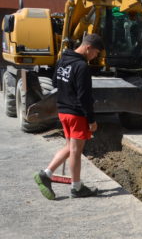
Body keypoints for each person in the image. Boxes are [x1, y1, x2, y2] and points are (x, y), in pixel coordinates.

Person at [34, 34, 103, 200]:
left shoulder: (62, 60)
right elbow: (84, 97)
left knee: (69, 146)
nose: (95, 56)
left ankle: (47, 174)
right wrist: (91, 120)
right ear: (88, 48)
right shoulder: (82, 67)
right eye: (96, 53)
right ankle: (76, 187)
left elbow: (56, 83)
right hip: (76, 114)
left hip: (63, 111)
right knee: (76, 151)